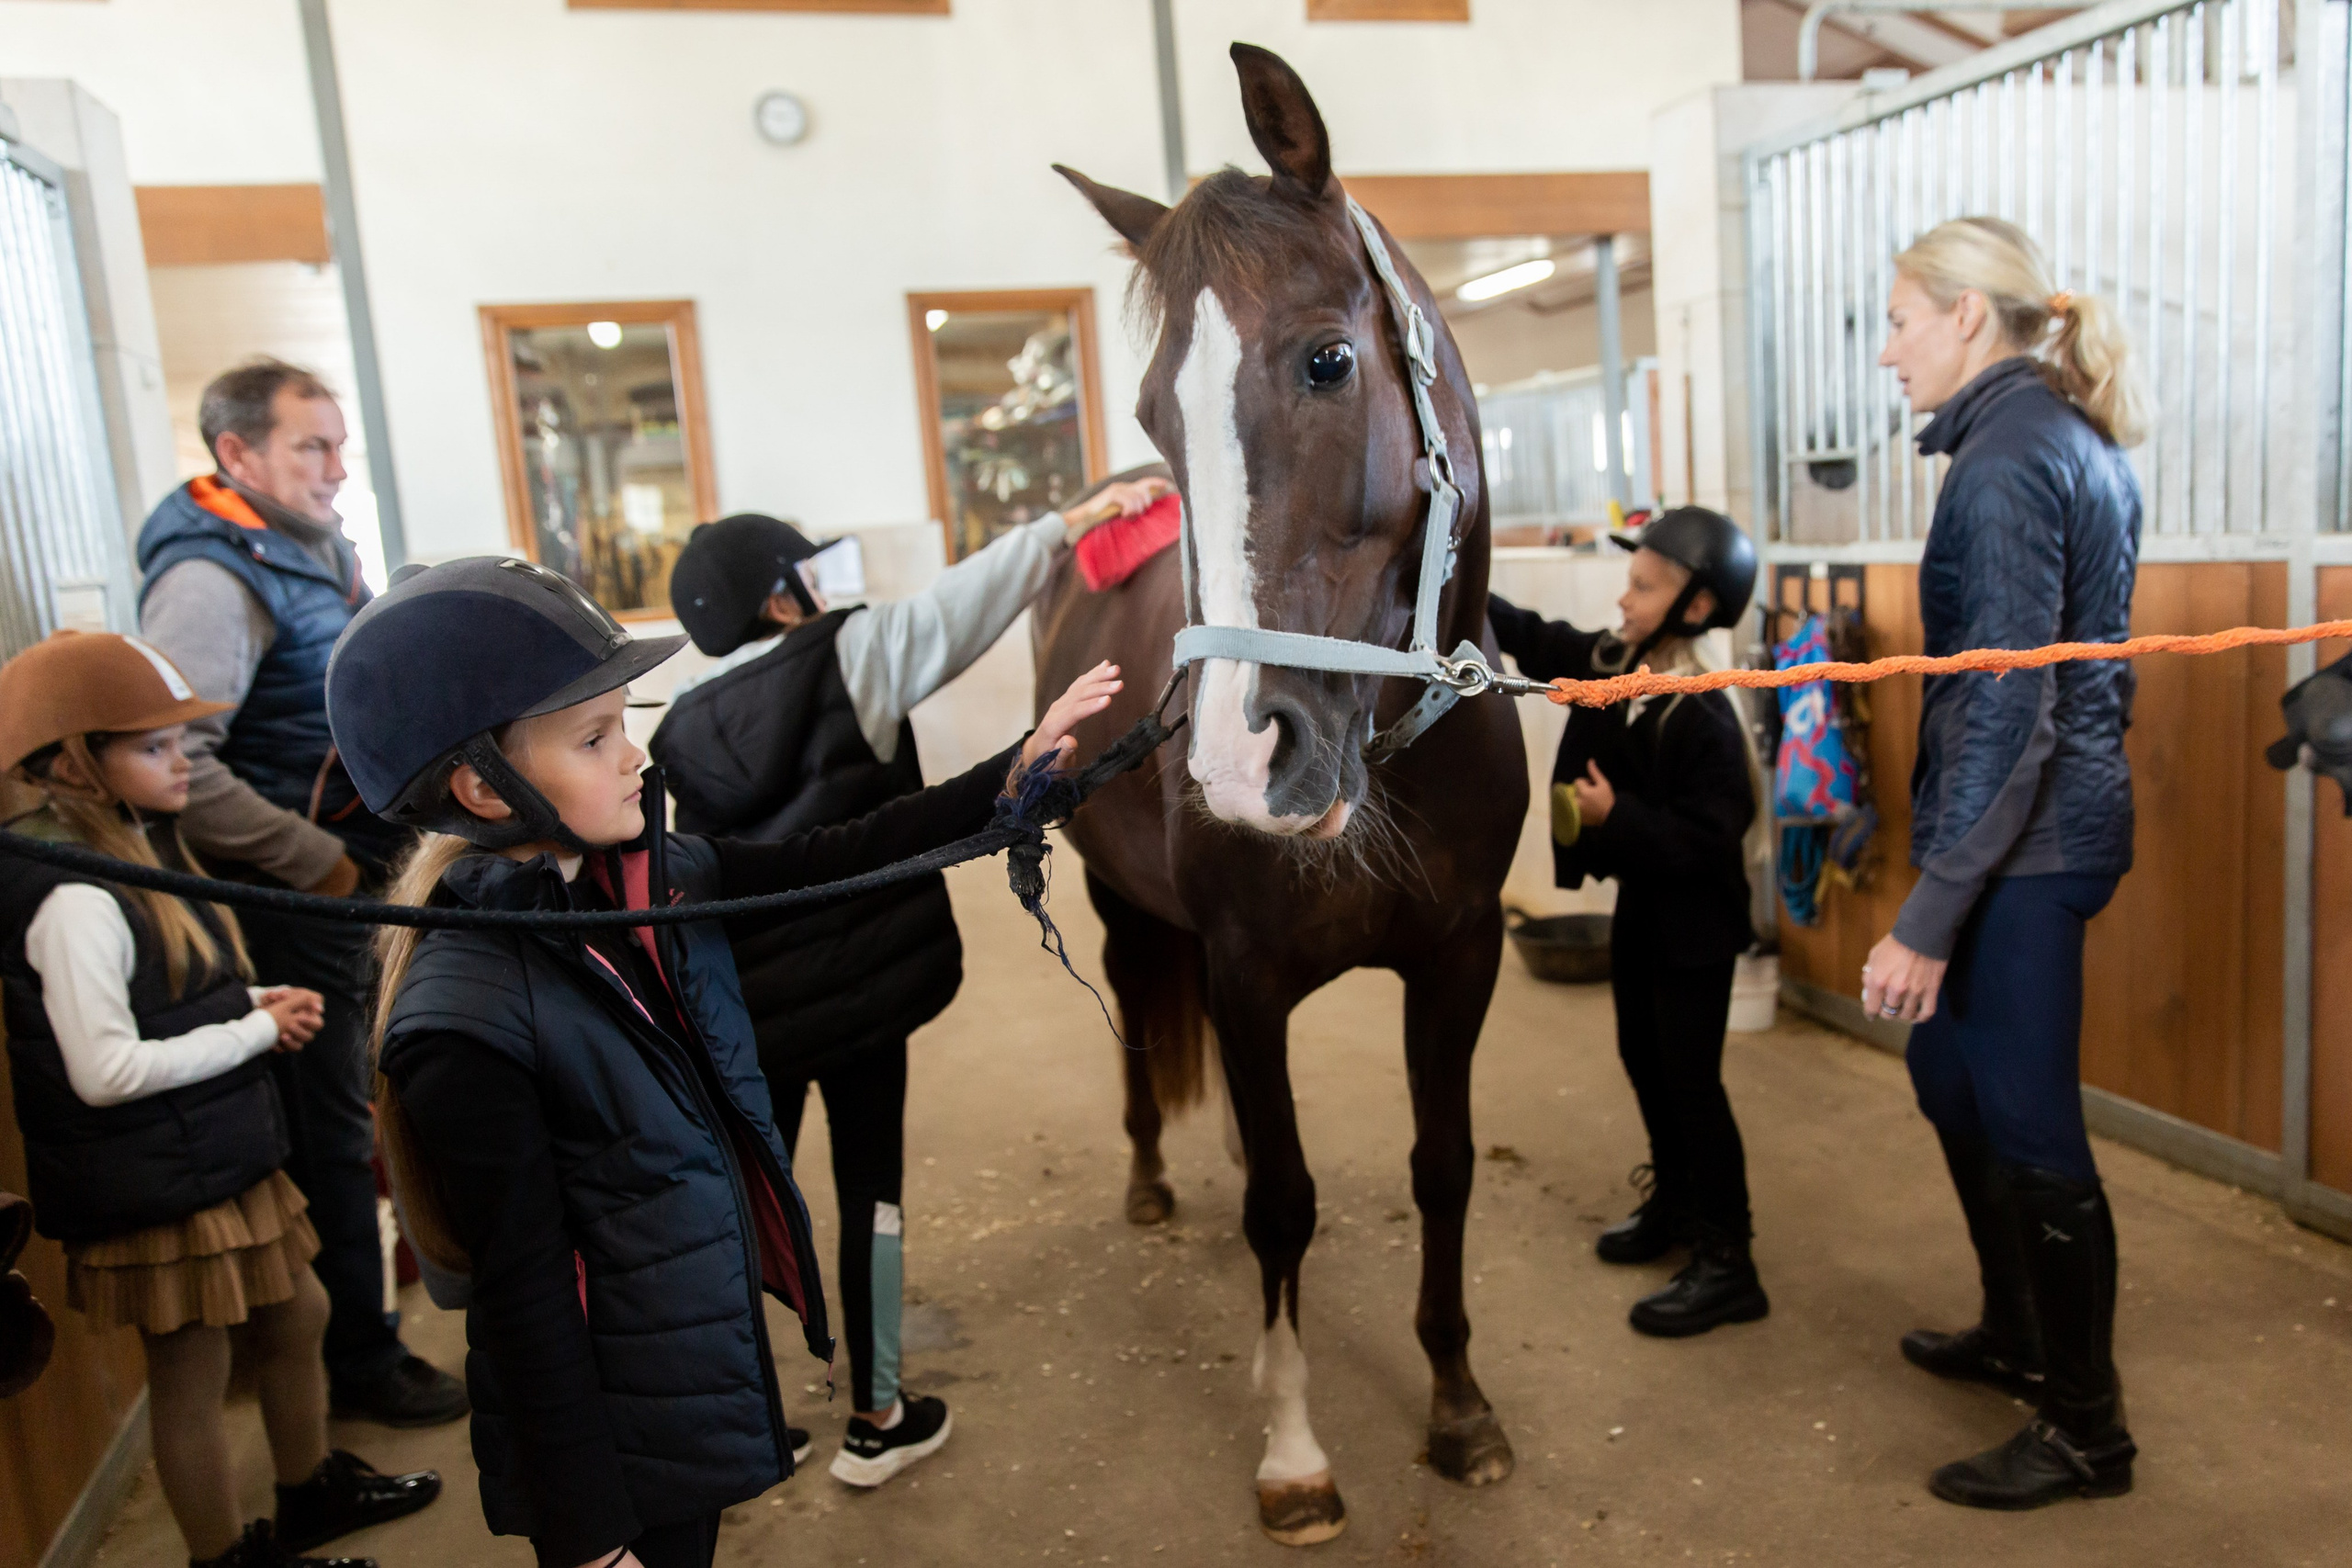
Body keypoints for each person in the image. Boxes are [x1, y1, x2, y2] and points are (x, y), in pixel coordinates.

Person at [326, 556, 1122, 1568]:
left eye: (622, 724)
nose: (634, 757)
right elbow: (526, 1311)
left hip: (680, 1379)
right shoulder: (464, 1025)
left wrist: (1013, 774)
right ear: (485, 787)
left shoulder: (637, 882)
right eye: (594, 738)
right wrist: (589, 1543)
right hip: (615, 1449)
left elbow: (834, 856)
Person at [648, 471, 1168, 1483]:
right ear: (779, 596)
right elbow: (959, 609)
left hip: (750, 1008)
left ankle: (748, 1420)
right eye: (802, 574)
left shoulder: (676, 725)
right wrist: (1063, 526)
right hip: (861, 991)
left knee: (749, 1194)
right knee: (868, 1190)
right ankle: (877, 1415)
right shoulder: (852, 653)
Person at [0, 631, 439, 1568]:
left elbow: (162, 995)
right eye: (153, 746)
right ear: (76, 763)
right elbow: (104, 1069)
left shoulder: (138, 849)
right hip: (156, 1177)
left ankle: (307, 1488)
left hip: (207, 1148)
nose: (183, 762)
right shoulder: (72, 896)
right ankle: (224, 1555)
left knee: (298, 1313)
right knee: (191, 1374)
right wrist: (252, 1032)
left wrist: (249, 1001)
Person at [1865, 217, 2144, 1510]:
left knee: (2030, 1120)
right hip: (2029, 829)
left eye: (1900, 322)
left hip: (2029, 842)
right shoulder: (2046, 435)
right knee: (1946, 1069)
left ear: (1966, 315)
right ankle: (2021, 1330)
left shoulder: (2008, 461)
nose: (1889, 352)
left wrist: (1929, 913)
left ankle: (2086, 1429)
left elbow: (2007, 706)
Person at [135, 358, 466, 1427]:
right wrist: (312, 860)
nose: (334, 468)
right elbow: (184, 762)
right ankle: (358, 1361)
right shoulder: (211, 580)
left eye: (338, 445)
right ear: (237, 453)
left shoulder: (304, 547)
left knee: (364, 1106)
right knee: (330, 1130)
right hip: (299, 897)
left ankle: (375, 1323)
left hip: (352, 874)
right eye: (310, 446)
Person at [1487, 508, 1764, 1338]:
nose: (1624, 597)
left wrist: (1618, 817)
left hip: (1697, 927)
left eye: (1644, 586)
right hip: (1645, 906)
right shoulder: (1617, 661)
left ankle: (1730, 1259)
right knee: (1643, 1058)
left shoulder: (1704, 710)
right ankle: (1676, 1204)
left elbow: (1711, 838)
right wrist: (1464, 586)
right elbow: (1538, 639)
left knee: (1692, 1082)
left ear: (1696, 605)